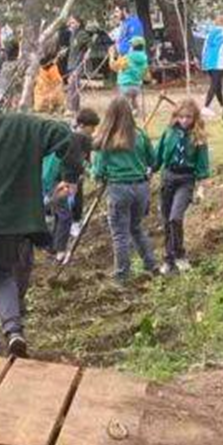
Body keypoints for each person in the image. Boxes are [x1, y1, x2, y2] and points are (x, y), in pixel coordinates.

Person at [0, 80, 71, 356]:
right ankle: (14, 331)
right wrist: (69, 173)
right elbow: (64, 134)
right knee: (4, 276)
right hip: (12, 224)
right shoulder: (23, 125)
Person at [91, 98, 158, 280]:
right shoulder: (140, 135)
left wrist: (93, 174)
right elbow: (153, 160)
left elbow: (98, 171)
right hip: (141, 187)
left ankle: (122, 274)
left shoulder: (106, 138)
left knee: (120, 234)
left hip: (119, 188)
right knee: (136, 228)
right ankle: (151, 264)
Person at [156, 100, 210, 274]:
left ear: (195, 118)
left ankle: (180, 255)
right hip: (168, 177)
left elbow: (203, 166)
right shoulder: (169, 133)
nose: (185, 120)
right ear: (176, 117)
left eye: (188, 117)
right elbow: (158, 157)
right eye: (181, 117)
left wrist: (200, 189)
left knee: (175, 218)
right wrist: (148, 170)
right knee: (166, 221)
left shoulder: (198, 137)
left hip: (186, 180)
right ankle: (168, 258)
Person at [46, 107, 98, 259]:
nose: (93, 131)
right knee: (64, 216)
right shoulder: (76, 138)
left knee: (60, 214)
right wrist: (83, 174)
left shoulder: (81, 138)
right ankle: (60, 251)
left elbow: (86, 158)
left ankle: (53, 246)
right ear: (81, 125)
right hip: (63, 182)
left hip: (65, 181)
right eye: (91, 128)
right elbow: (72, 162)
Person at [111, 32, 149, 114]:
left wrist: (111, 55)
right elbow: (145, 72)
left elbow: (114, 66)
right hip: (137, 86)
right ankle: (136, 111)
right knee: (133, 99)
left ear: (132, 47)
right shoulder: (144, 59)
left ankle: (127, 114)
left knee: (124, 102)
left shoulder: (127, 58)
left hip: (125, 85)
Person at [201, 13, 223, 112]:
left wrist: (203, 63)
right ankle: (206, 106)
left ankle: (222, 106)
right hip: (218, 63)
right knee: (215, 84)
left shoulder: (210, 33)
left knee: (217, 85)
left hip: (209, 63)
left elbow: (205, 49)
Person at [63, 15, 89, 114]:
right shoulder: (72, 34)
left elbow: (90, 44)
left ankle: (71, 108)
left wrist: (87, 54)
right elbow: (73, 48)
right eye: (70, 22)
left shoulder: (82, 34)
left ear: (78, 23)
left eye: (73, 22)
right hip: (71, 63)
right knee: (73, 85)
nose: (71, 24)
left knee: (72, 85)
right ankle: (75, 108)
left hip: (78, 63)